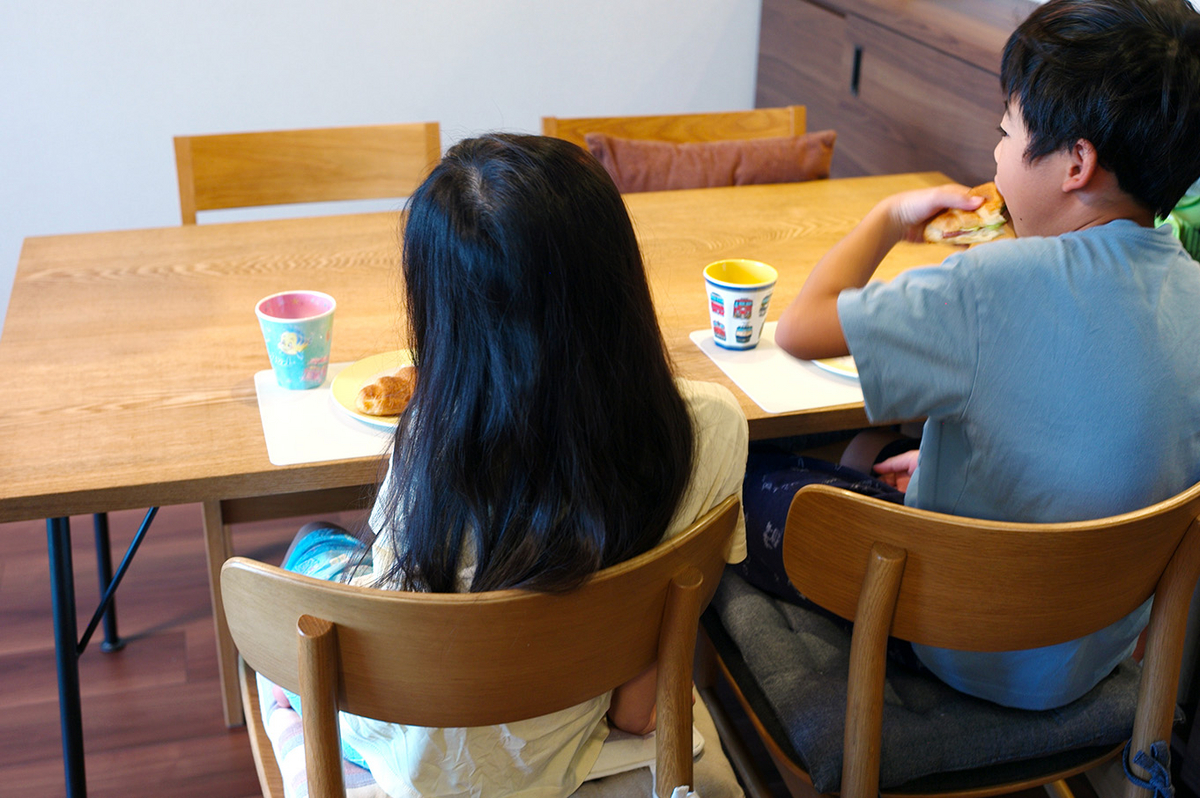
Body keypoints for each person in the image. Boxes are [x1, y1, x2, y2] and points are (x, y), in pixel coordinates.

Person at [742, 0, 1200, 711]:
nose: (995, 156)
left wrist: (888, 217)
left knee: (742, 475)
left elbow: (801, 329)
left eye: (1005, 132)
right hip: (1091, 651)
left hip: (960, 643)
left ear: (1076, 162)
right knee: (885, 452)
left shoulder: (990, 283)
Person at [262, 133, 748, 797]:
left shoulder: (430, 450)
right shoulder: (713, 428)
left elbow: (393, 655)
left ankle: (290, 725)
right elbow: (638, 711)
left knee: (307, 549)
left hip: (424, 767)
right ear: (618, 279)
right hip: (564, 742)